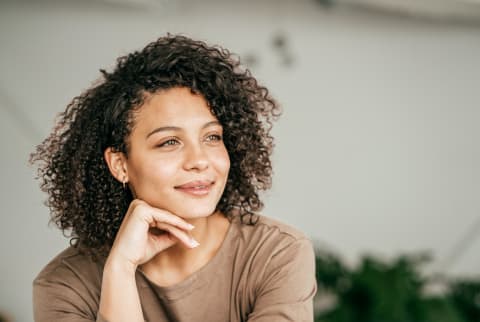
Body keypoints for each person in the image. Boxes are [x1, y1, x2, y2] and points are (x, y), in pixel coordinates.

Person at [31, 34, 317, 322]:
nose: (199, 160)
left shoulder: (277, 253)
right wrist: (120, 269)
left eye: (212, 137)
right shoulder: (65, 285)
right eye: (169, 142)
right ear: (120, 164)